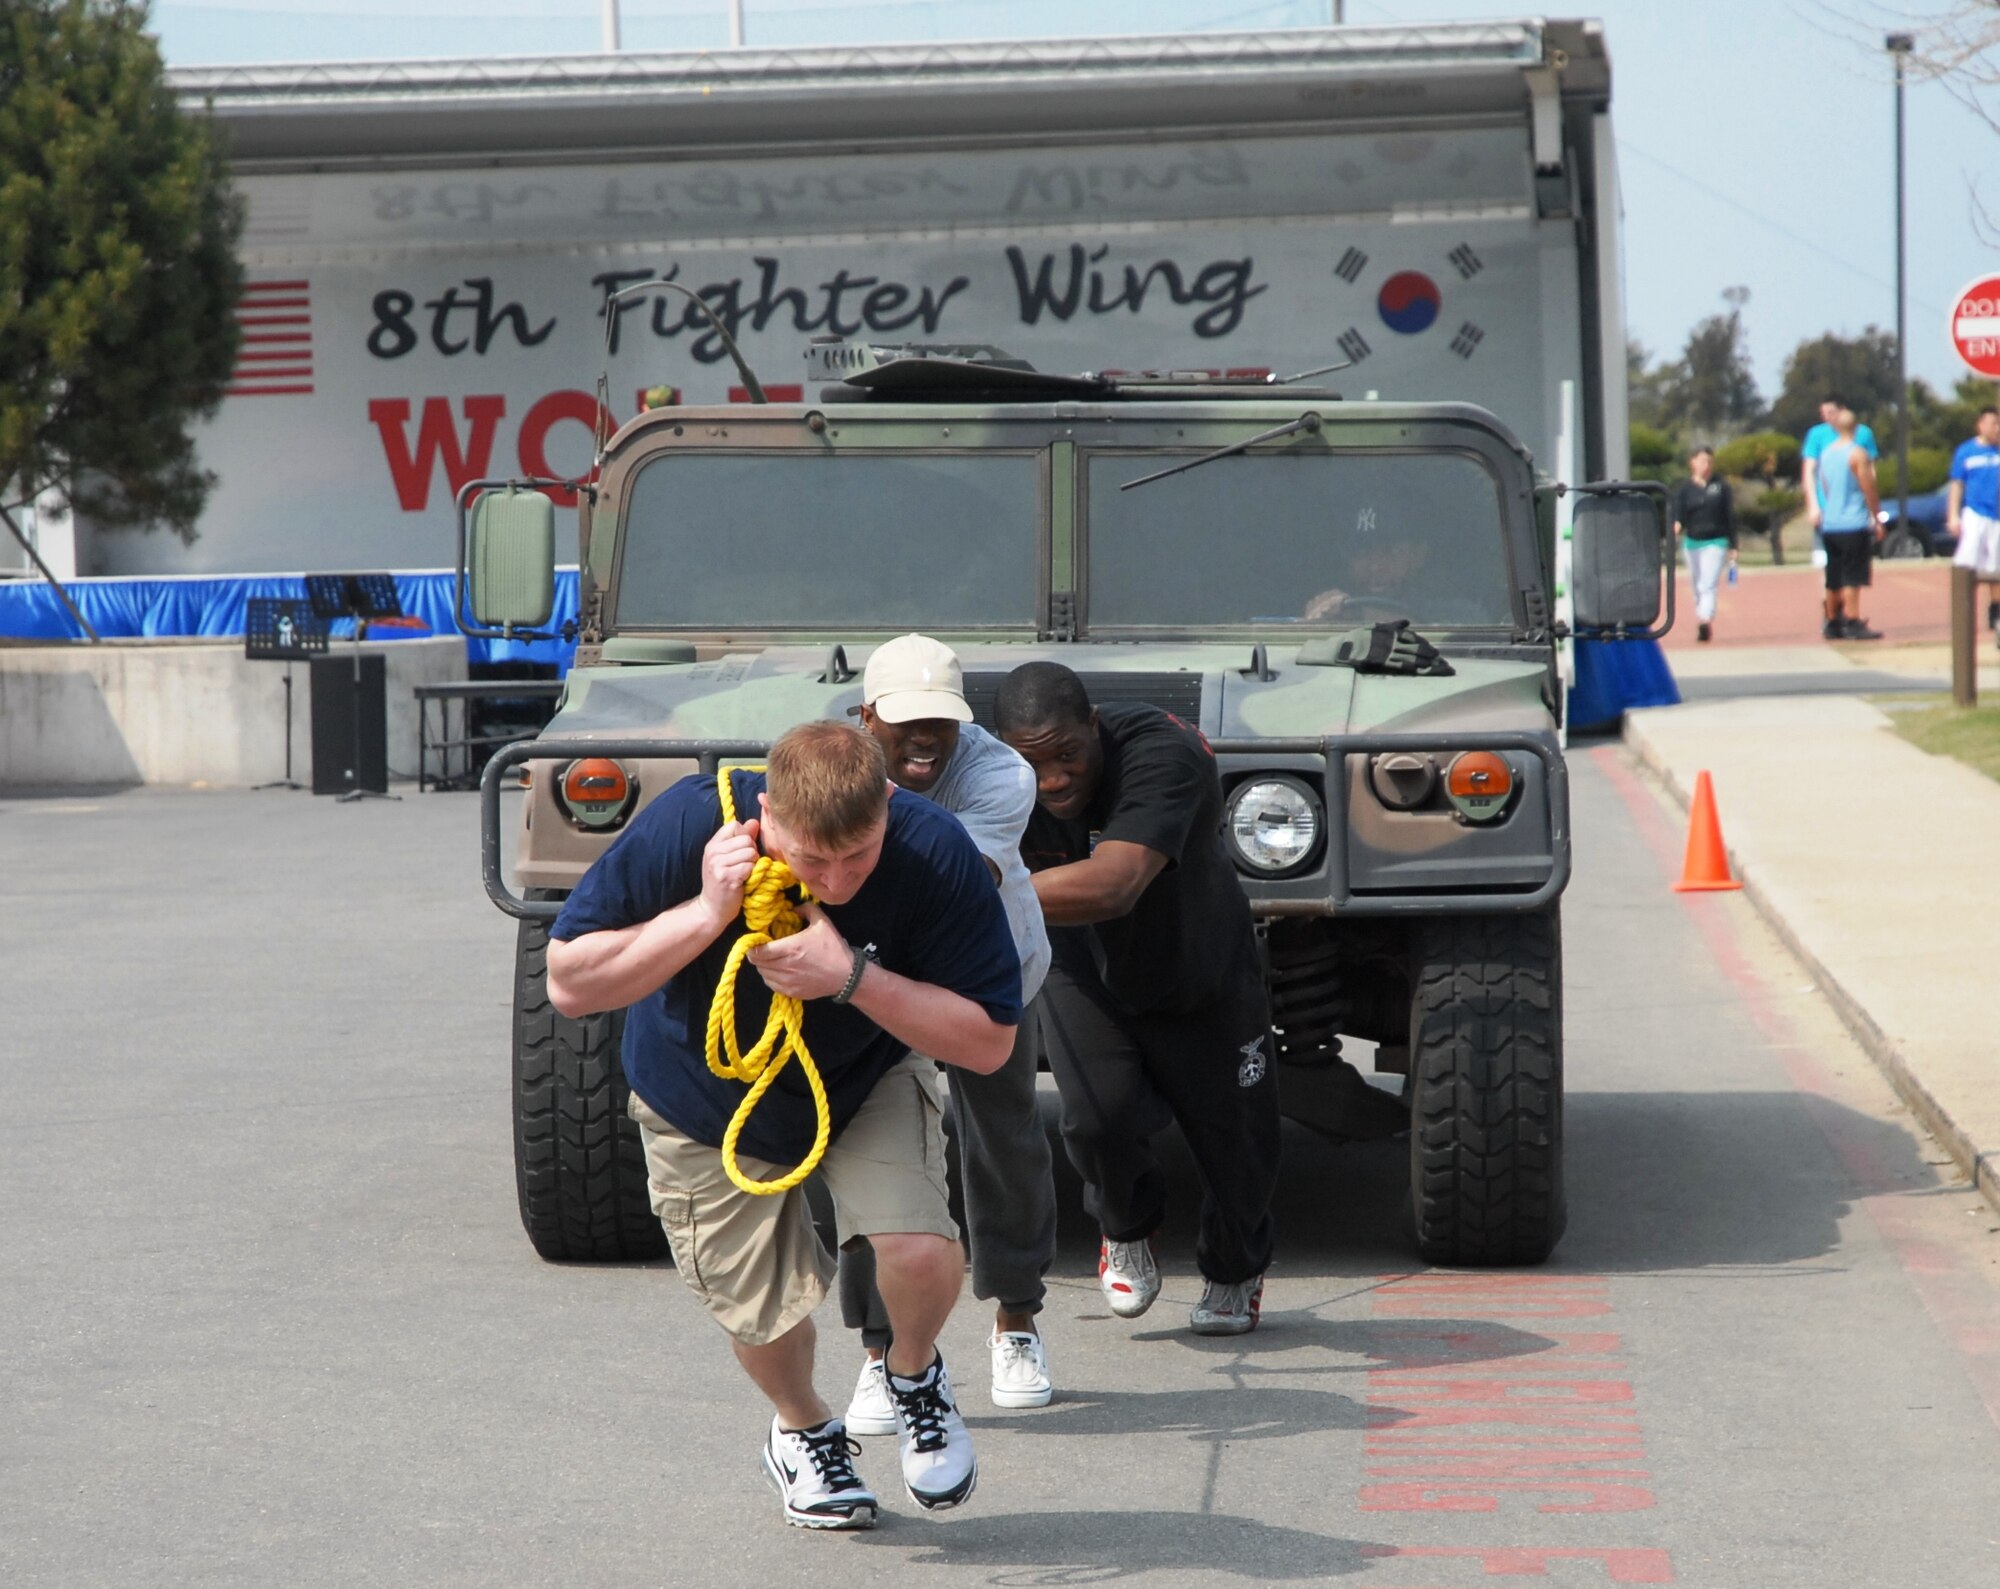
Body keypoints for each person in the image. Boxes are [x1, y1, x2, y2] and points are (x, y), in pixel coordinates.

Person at [546, 721, 1022, 1531]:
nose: (835, 880)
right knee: (765, 1312)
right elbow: (569, 982)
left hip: (861, 1074)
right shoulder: (694, 822)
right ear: (766, 813)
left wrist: (852, 976)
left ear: (891, 806)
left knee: (919, 1248)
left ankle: (912, 1375)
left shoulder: (935, 849)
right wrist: (706, 911)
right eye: (813, 859)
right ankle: (803, 1427)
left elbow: (989, 1040)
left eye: (859, 856)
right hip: (704, 1095)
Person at [995, 661, 1282, 1338]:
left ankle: (1236, 1267)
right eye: (1033, 765)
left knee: (1237, 1141)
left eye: (1068, 754)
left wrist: (975, 895)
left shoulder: (1163, 753)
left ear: (1093, 726)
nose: (1054, 779)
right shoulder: (986, 773)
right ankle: (1126, 1224)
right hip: (1076, 956)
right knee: (1096, 1116)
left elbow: (1117, 883)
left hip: (1197, 957)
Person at [836, 634, 1058, 1430]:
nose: (926, 737)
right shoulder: (830, 761)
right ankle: (878, 1349)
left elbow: (946, 880)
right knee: (871, 1148)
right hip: (872, 978)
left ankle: (1018, 1320)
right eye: (906, 722)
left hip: (987, 973)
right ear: (867, 717)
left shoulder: (1003, 774)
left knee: (1002, 1138)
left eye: (944, 720)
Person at [1802, 395, 1879, 631]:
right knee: (1853, 576)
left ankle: (1832, 620)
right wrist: (1875, 515)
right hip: (1852, 521)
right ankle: (1853, 620)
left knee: (1833, 576)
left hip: (1831, 521)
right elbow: (1869, 485)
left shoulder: (1826, 454)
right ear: (1855, 428)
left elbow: (1822, 483)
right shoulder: (1856, 453)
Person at [1671, 445, 1738, 644]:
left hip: (1716, 542)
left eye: (1709, 461)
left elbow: (1730, 516)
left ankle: (1704, 619)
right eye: (1702, 461)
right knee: (1696, 584)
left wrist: (1734, 545)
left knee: (1707, 584)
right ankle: (1703, 612)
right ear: (1692, 463)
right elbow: (1679, 513)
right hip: (1692, 543)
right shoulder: (1685, 490)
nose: (1706, 465)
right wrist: (1676, 524)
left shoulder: (1721, 487)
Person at [1947, 405, 2000, 644]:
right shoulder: (1966, 452)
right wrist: (1953, 516)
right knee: (1968, 563)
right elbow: (1956, 484)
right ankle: (1963, 612)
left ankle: (1996, 612)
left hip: (1997, 516)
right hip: (1975, 513)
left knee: (1996, 566)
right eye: (1992, 424)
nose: (1996, 429)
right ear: (1981, 425)